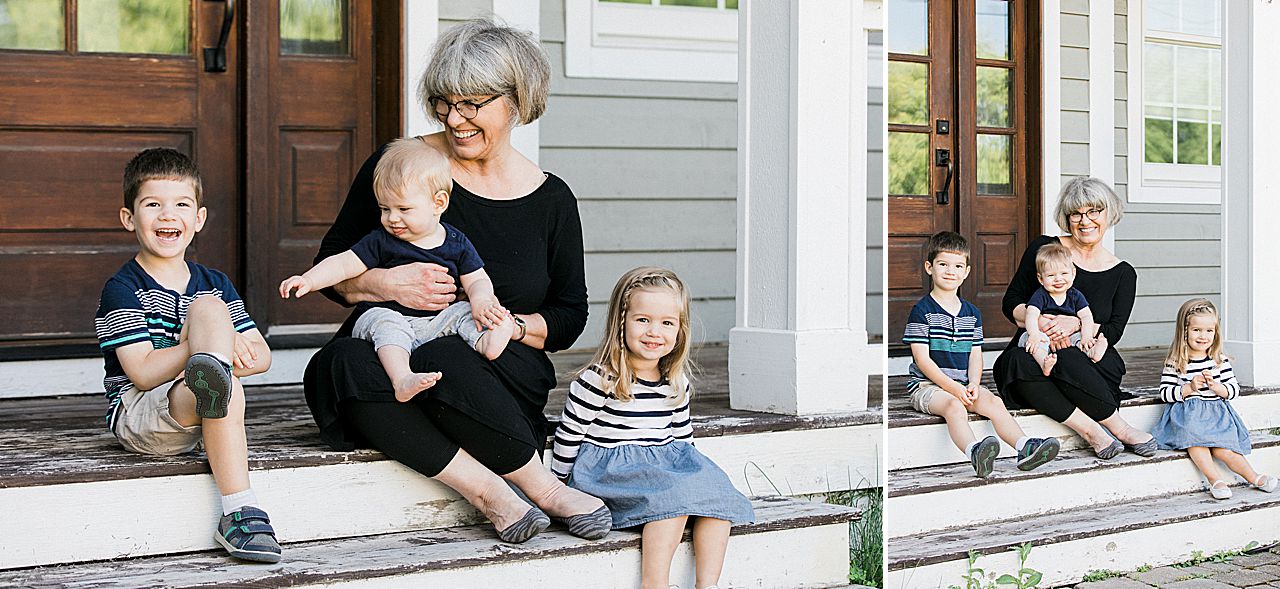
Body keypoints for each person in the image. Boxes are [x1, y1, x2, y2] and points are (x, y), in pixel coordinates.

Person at [302, 18, 610, 545]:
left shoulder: (551, 199)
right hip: (395, 354)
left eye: (473, 104)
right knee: (340, 363)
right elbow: (334, 267)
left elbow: (568, 316)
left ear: (517, 101)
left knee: (444, 356)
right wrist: (387, 287)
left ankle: (544, 488)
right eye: (445, 102)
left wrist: (504, 325)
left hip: (490, 363)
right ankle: (493, 494)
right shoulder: (403, 166)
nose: (455, 118)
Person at [93, 148, 279, 562]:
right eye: (152, 204)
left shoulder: (214, 283)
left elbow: (262, 356)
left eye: (180, 204)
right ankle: (241, 508)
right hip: (141, 414)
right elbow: (141, 373)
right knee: (219, 368)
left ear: (198, 218)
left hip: (193, 406)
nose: (167, 215)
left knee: (211, 317)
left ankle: (212, 375)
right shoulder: (123, 289)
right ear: (129, 218)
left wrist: (239, 353)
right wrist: (200, 346)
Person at [551, 268, 753, 589]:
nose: (654, 331)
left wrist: (698, 478)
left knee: (717, 498)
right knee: (670, 500)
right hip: (613, 473)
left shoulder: (675, 382)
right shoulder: (601, 379)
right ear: (621, 321)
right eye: (643, 320)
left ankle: (708, 585)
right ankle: (654, 583)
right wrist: (557, 489)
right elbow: (569, 435)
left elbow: (684, 442)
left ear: (679, 331)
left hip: (663, 468)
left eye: (667, 323)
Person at [280, 138, 513, 402]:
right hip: (389, 322)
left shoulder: (456, 242)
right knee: (385, 320)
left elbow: (477, 280)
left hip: (433, 324)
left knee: (463, 311)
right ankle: (401, 377)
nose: (392, 218)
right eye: (384, 209)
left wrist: (481, 300)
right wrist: (309, 280)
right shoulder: (381, 241)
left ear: (438, 203)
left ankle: (486, 342)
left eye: (403, 209)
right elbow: (343, 263)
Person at [993, 177, 1156, 459]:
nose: (1085, 220)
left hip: (1086, 358)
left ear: (1109, 215)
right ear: (1066, 218)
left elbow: (1115, 329)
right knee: (1015, 363)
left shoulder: (1123, 273)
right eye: (1076, 213)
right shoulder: (1045, 249)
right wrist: (1040, 323)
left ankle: (1117, 429)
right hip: (1038, 351)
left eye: (1094, 212)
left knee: (1067, 354)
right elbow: (1012, 302)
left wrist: (1079, 324)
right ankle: (1097, 432)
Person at [904, 232, 1060, 478]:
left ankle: (1025, 446)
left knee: (994, 402)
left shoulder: (972, 313)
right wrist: (954, 389)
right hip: (928, 386)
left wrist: (974, 384)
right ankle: (975, 451)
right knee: (954, 407)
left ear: (966, 272)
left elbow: (975, 355)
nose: (950, 271)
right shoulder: (922, 311)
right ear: (929, 267)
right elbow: (923, 361)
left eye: (957, 266)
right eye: (943, 264)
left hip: (964, 384)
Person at [1151, 299, 1277, 499]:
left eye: (1209, 331)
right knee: (1195, 444)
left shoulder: (1219, 361)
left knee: (1224, 450)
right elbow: (1165, 392)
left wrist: (1218, 388)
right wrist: (1189, 388)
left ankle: (1253, 477)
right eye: (1197, 330)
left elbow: (1234, 390)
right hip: (1189, 418)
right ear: (1184, 331)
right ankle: (1215, 480)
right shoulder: (1176, 362)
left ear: (1216, 333)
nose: (1203, 336)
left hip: (1217, 416)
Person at [1019, 242, 1103, 377]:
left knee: (1082, 338)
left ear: (1073, 273)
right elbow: (1031, 314)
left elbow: (1086, 317)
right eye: (1051, 276)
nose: (1058, 279)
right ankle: (1044, 363)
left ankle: (1093, 351)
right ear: (1041, 279)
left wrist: (1087, 336)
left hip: (1069, 335)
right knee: (1027, 339)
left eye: (1064, 273)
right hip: (1043, 334)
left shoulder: (1075, 295)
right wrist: (1034, 334)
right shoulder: (1041, 295)